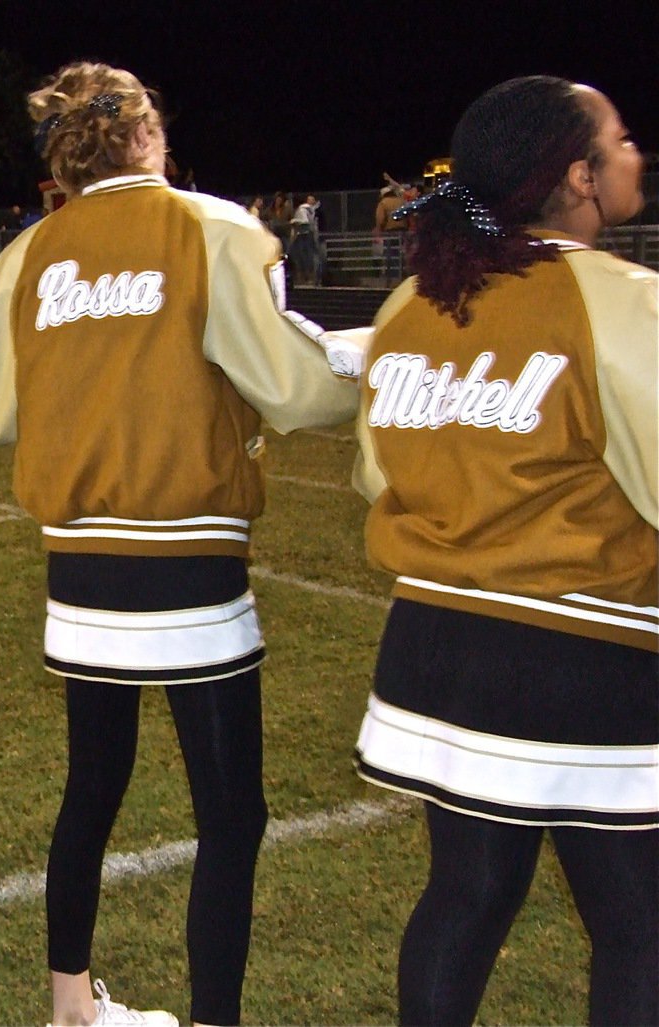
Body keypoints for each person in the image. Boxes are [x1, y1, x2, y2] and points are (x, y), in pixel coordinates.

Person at [0, 60, 358, 1027]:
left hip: (78, 565)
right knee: (230, 815)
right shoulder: (212, 227)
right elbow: (296, 387)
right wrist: (374, 364)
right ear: (146, 133)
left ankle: (69, 1010)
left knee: (93, 786)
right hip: (192, 561)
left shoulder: (29, 253)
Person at [350, 76, 657, 1026]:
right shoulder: (618, 297)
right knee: (640, 923)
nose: (634, 151)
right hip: (583, 654)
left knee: (467, 896)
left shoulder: (413, 301)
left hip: (432, 651)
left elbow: (376, 473)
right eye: (621, 138)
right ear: (580, 176)